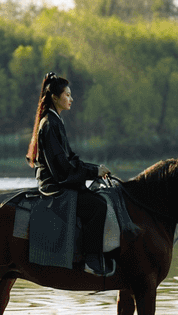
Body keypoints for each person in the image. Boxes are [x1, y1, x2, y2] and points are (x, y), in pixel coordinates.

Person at [26, 72, 114, 276]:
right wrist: (92, 171)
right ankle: (90, 260)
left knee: (99, 198)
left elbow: (70, 158)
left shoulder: (56, 121)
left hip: (59, 177)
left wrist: (96, 169)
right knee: (98, 206)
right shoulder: (49, 123)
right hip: (54, 183)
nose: (71, 99)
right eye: (67, 95)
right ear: (55, 97)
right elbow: (62, 168)